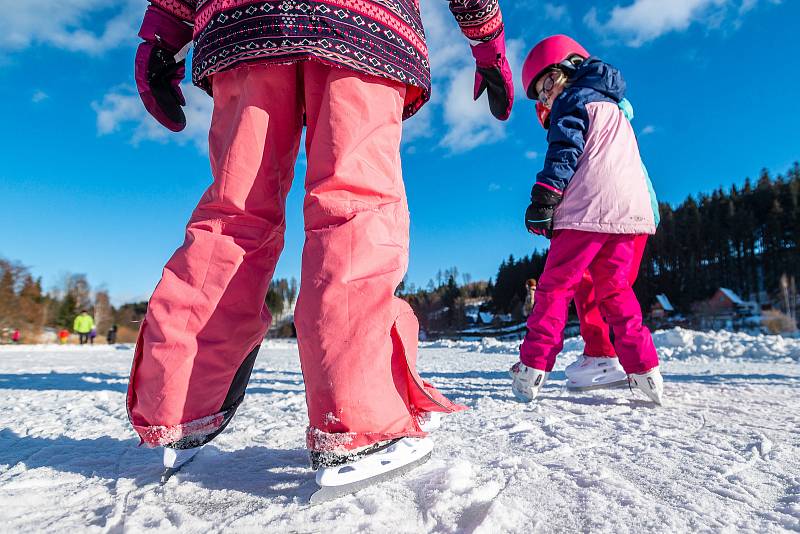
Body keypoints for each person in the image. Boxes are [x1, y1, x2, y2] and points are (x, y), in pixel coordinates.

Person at [127, 0, 513, 494]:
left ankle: (178, 405)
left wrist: (161, 34)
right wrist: (487, 41)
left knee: (234, 215)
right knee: (354, 205)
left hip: (245, 25)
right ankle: (358, 418)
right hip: (364, 27)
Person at [510, 35, 664, 405]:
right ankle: (645, 370)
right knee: (614, 289)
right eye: (540, 96)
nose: (547, 98)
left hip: (586, 211)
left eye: (547, 84)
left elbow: (565, 150)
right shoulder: (616, 108)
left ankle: (531, 366)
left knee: (555, 287)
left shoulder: (574, 99)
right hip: (628, 215)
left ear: (571, 68)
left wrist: (545, 197)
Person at [534, 97, 660, 391]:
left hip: (604, 214)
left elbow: (582, 171)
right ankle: (612, 356)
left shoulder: (581, 118)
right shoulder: (614, 117)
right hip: (638, 211)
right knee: (611, 286)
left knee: (593, 283)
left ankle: (603, 355)